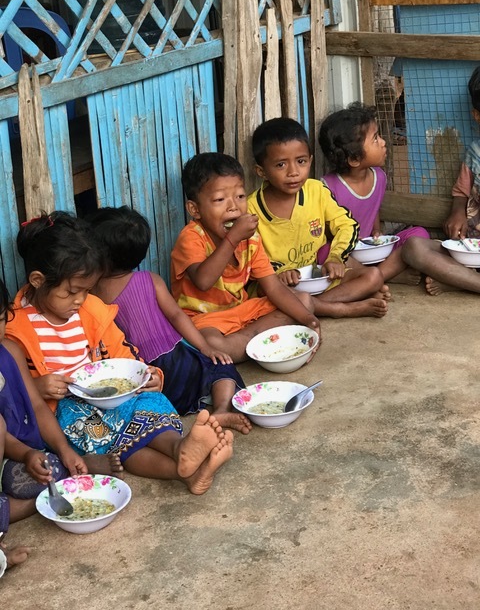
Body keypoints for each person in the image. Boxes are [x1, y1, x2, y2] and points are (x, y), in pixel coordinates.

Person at [6, 212, 233, 494]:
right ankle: (183, 471)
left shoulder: (91, 309)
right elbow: (11, 390)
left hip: (109, 394)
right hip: (67, 411)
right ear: (39, 280)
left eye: (87, 291)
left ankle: (180, 449)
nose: (80, 300)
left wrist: (145, 374)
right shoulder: (15, 327)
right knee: (117, 443)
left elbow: (121, 351)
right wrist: (39, 387)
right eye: (72, 292)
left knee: (149, 403)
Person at [86, 205, 252, 435]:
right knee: (221, 367)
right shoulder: (150, 279)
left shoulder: (91, 294)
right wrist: (204, 347)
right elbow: (176, 315)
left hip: (145, 372)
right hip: (178, 356)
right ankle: (222, 408)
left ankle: (197, 410)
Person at [0, 275, 110, 566]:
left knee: (52, 469)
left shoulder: (10, 351)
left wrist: (64, 450)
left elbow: (37, 406)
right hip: (8, 451)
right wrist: (25, 453)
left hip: (20, 452)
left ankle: (58, 475)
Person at [170, 152, 321, 364]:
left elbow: (274, 288)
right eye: (220, 200)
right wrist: (232, 239)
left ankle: (248, 342)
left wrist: (308, 320)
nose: (233, 206)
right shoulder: (191, 237)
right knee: (210, 344)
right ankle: (258, 342)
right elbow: (203, 281)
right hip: (206, 320)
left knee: (304, 301)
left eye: (240, 196)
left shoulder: (251, 238)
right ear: (195, 209)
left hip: (244, 313)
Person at [248, 117, 391, 319]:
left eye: (301, 161)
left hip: (318, 276)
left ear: (310, 160)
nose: (293, 172)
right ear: (261, 171)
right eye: (280, 165)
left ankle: (313, 305)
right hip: (281, 286)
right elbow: (249, 255)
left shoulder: (316, 190)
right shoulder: (250, 209)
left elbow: (347, 224)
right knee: (266, 291)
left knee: (373, 276)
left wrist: (335, 258)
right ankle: (341, 309)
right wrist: (277, 273)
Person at [318, 102, 429, 284]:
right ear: (354, 158)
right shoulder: (327, 187)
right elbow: (326, 230)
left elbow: (373, 208)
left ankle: (376, 275)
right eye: (376, 139)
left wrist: (377, 231)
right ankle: (385, 275)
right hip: (345, 252)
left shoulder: (379, 176)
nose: (384, 142)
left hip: (371, 247)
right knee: (323, 251)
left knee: (419, 234)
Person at [402, 65, 480, 296]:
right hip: (469, 246)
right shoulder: (475, 152)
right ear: (477, 115)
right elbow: (461, 191)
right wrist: (457, 212)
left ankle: (459, 281)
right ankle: (466, 280)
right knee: (413, 247)